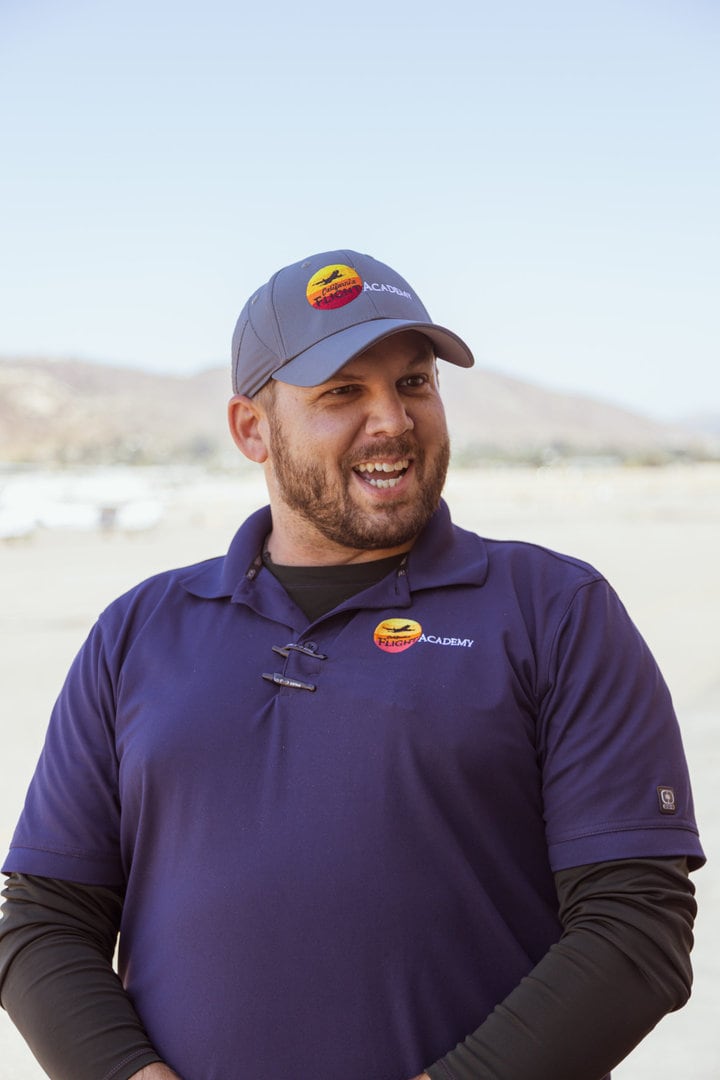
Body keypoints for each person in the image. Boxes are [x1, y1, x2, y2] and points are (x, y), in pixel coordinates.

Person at [0, 249, 704, 1080]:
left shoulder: (555, 609)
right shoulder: (139, 630)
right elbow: (44, 921)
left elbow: (637, 925)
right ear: (251, 429)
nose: (395, 422)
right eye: (343, 392)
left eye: (414, 383)